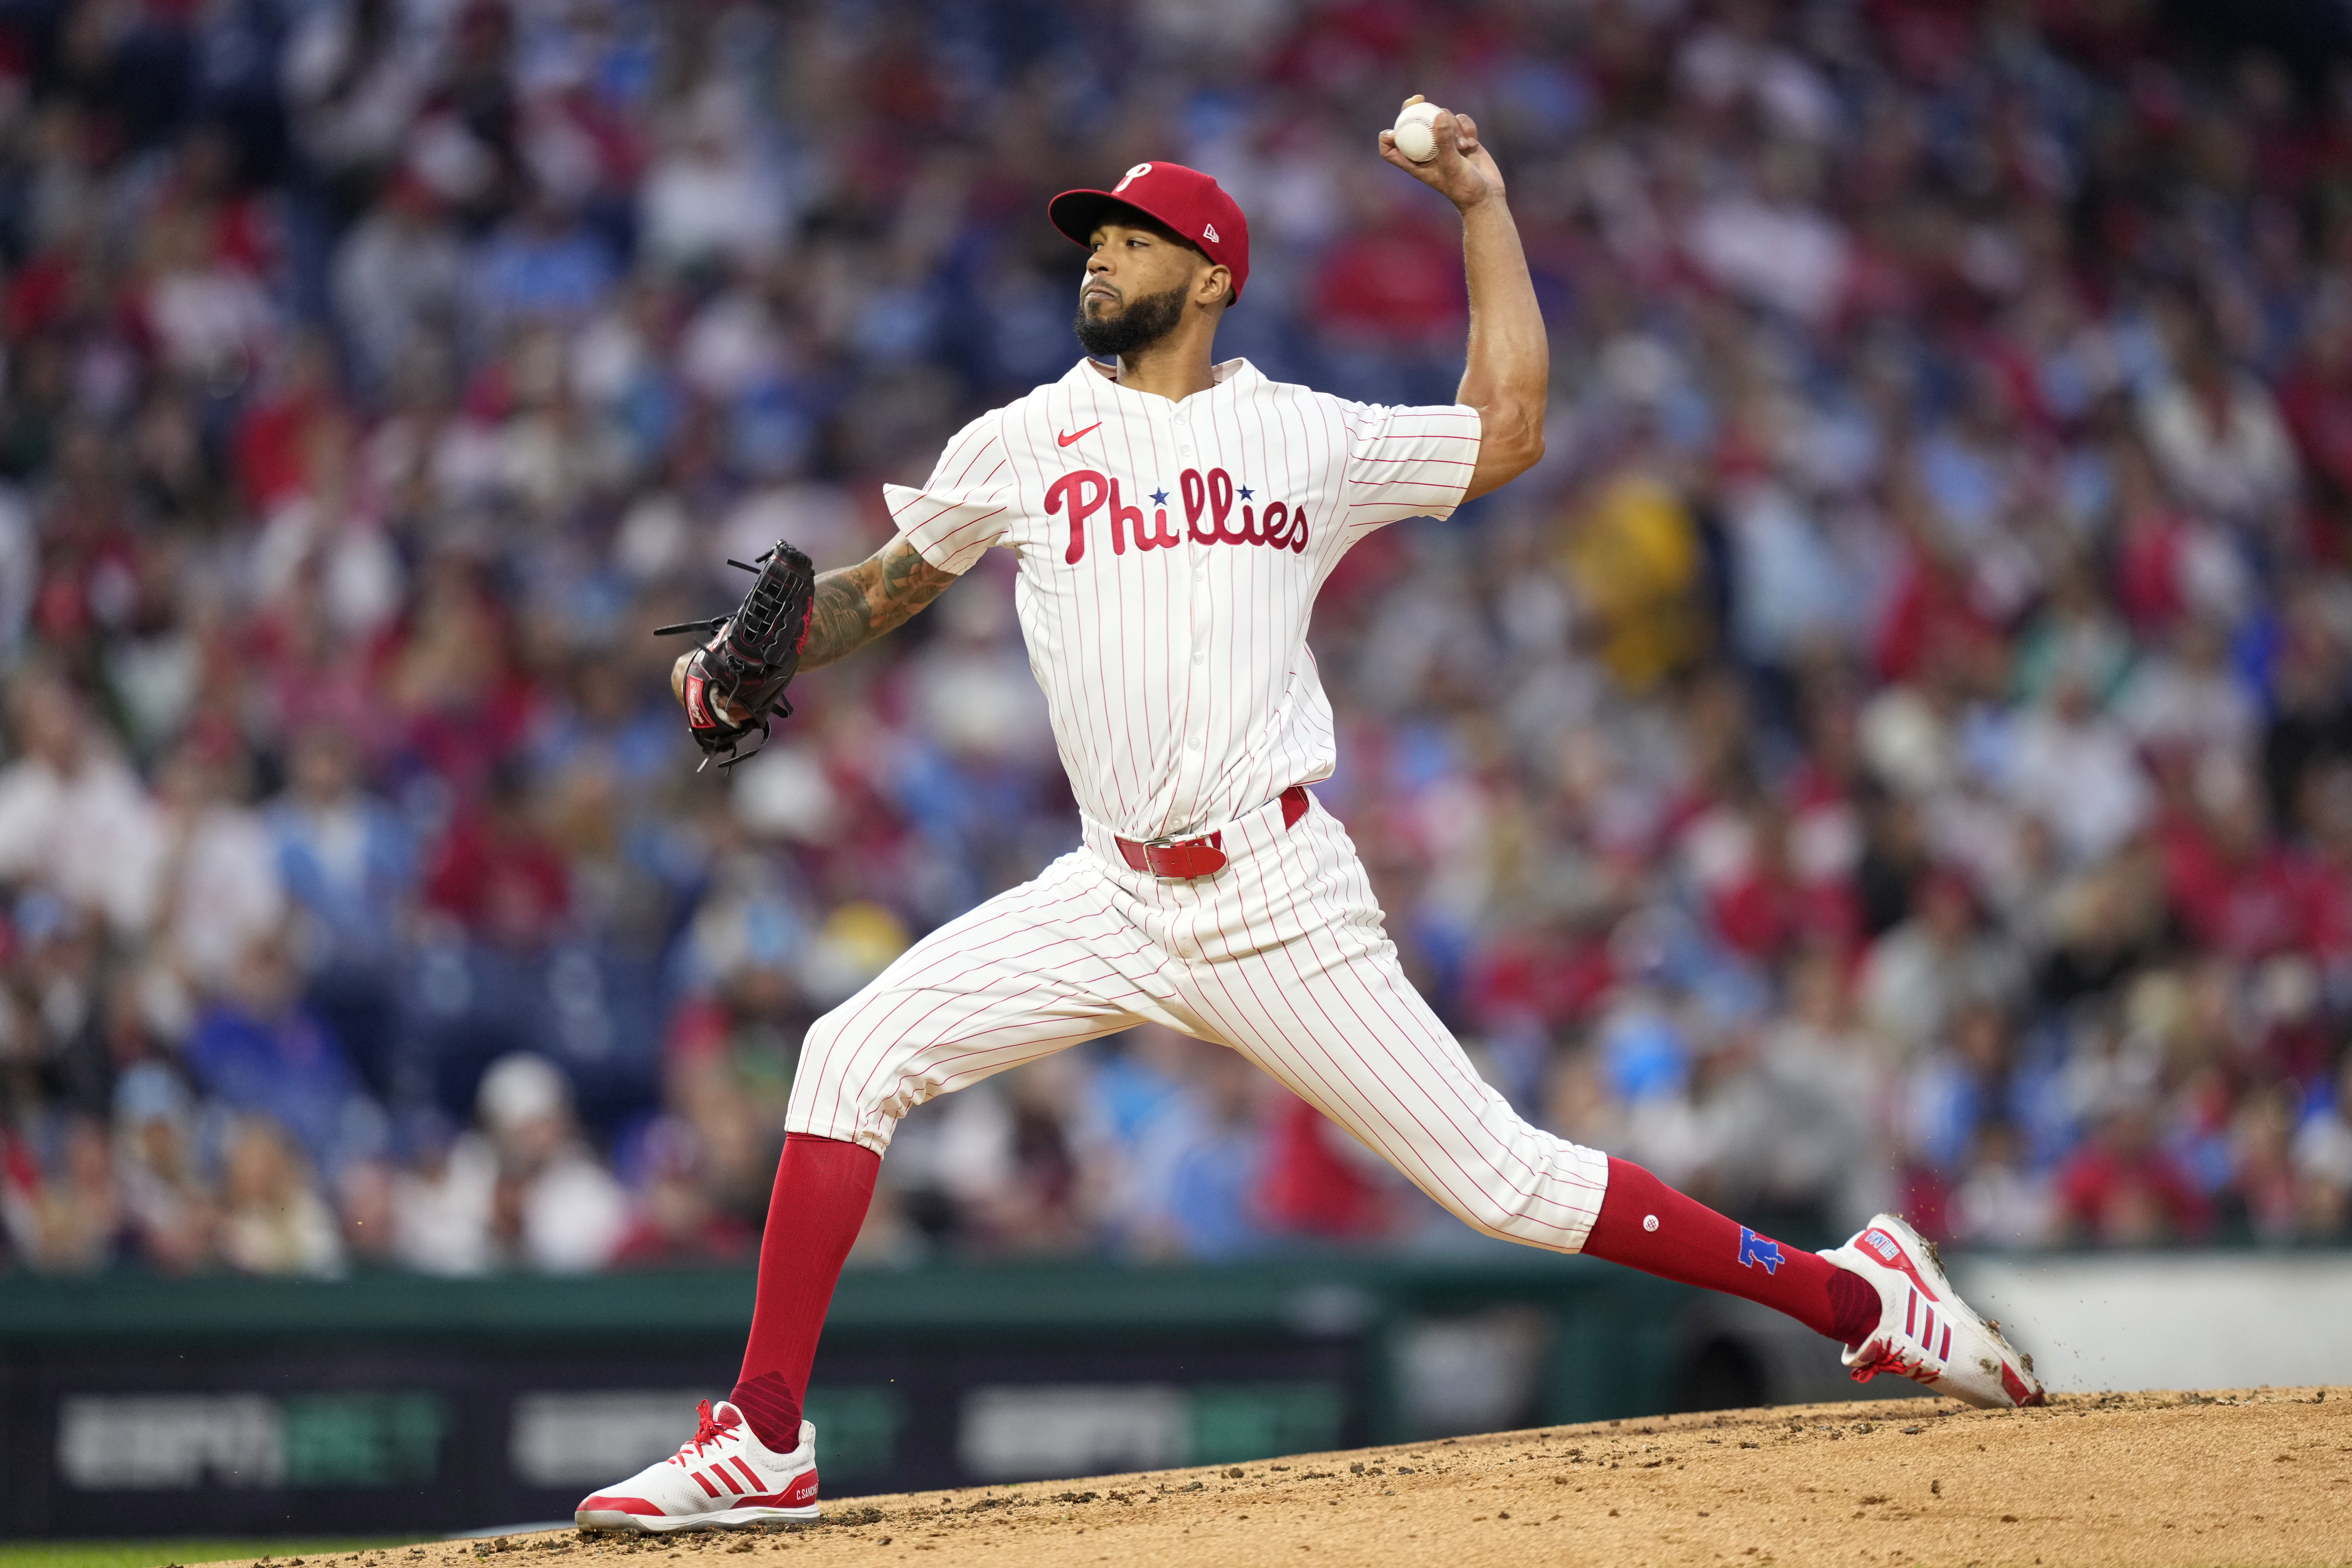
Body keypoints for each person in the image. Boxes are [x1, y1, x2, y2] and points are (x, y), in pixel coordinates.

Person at [576, 100, 2045, 1534]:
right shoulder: (1019, 441)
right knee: (847, 1054)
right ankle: (763, 1438)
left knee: (1507, 1185)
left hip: (1274, 893)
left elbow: (1509, 428)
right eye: (1092, 235)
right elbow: (874, 590)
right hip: (1108, 895)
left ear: (1210, 276)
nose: (1098, 254)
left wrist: (1481, 204)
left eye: (1133, 237)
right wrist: (739, 665)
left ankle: (1860, 1295)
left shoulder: (1300, 436)